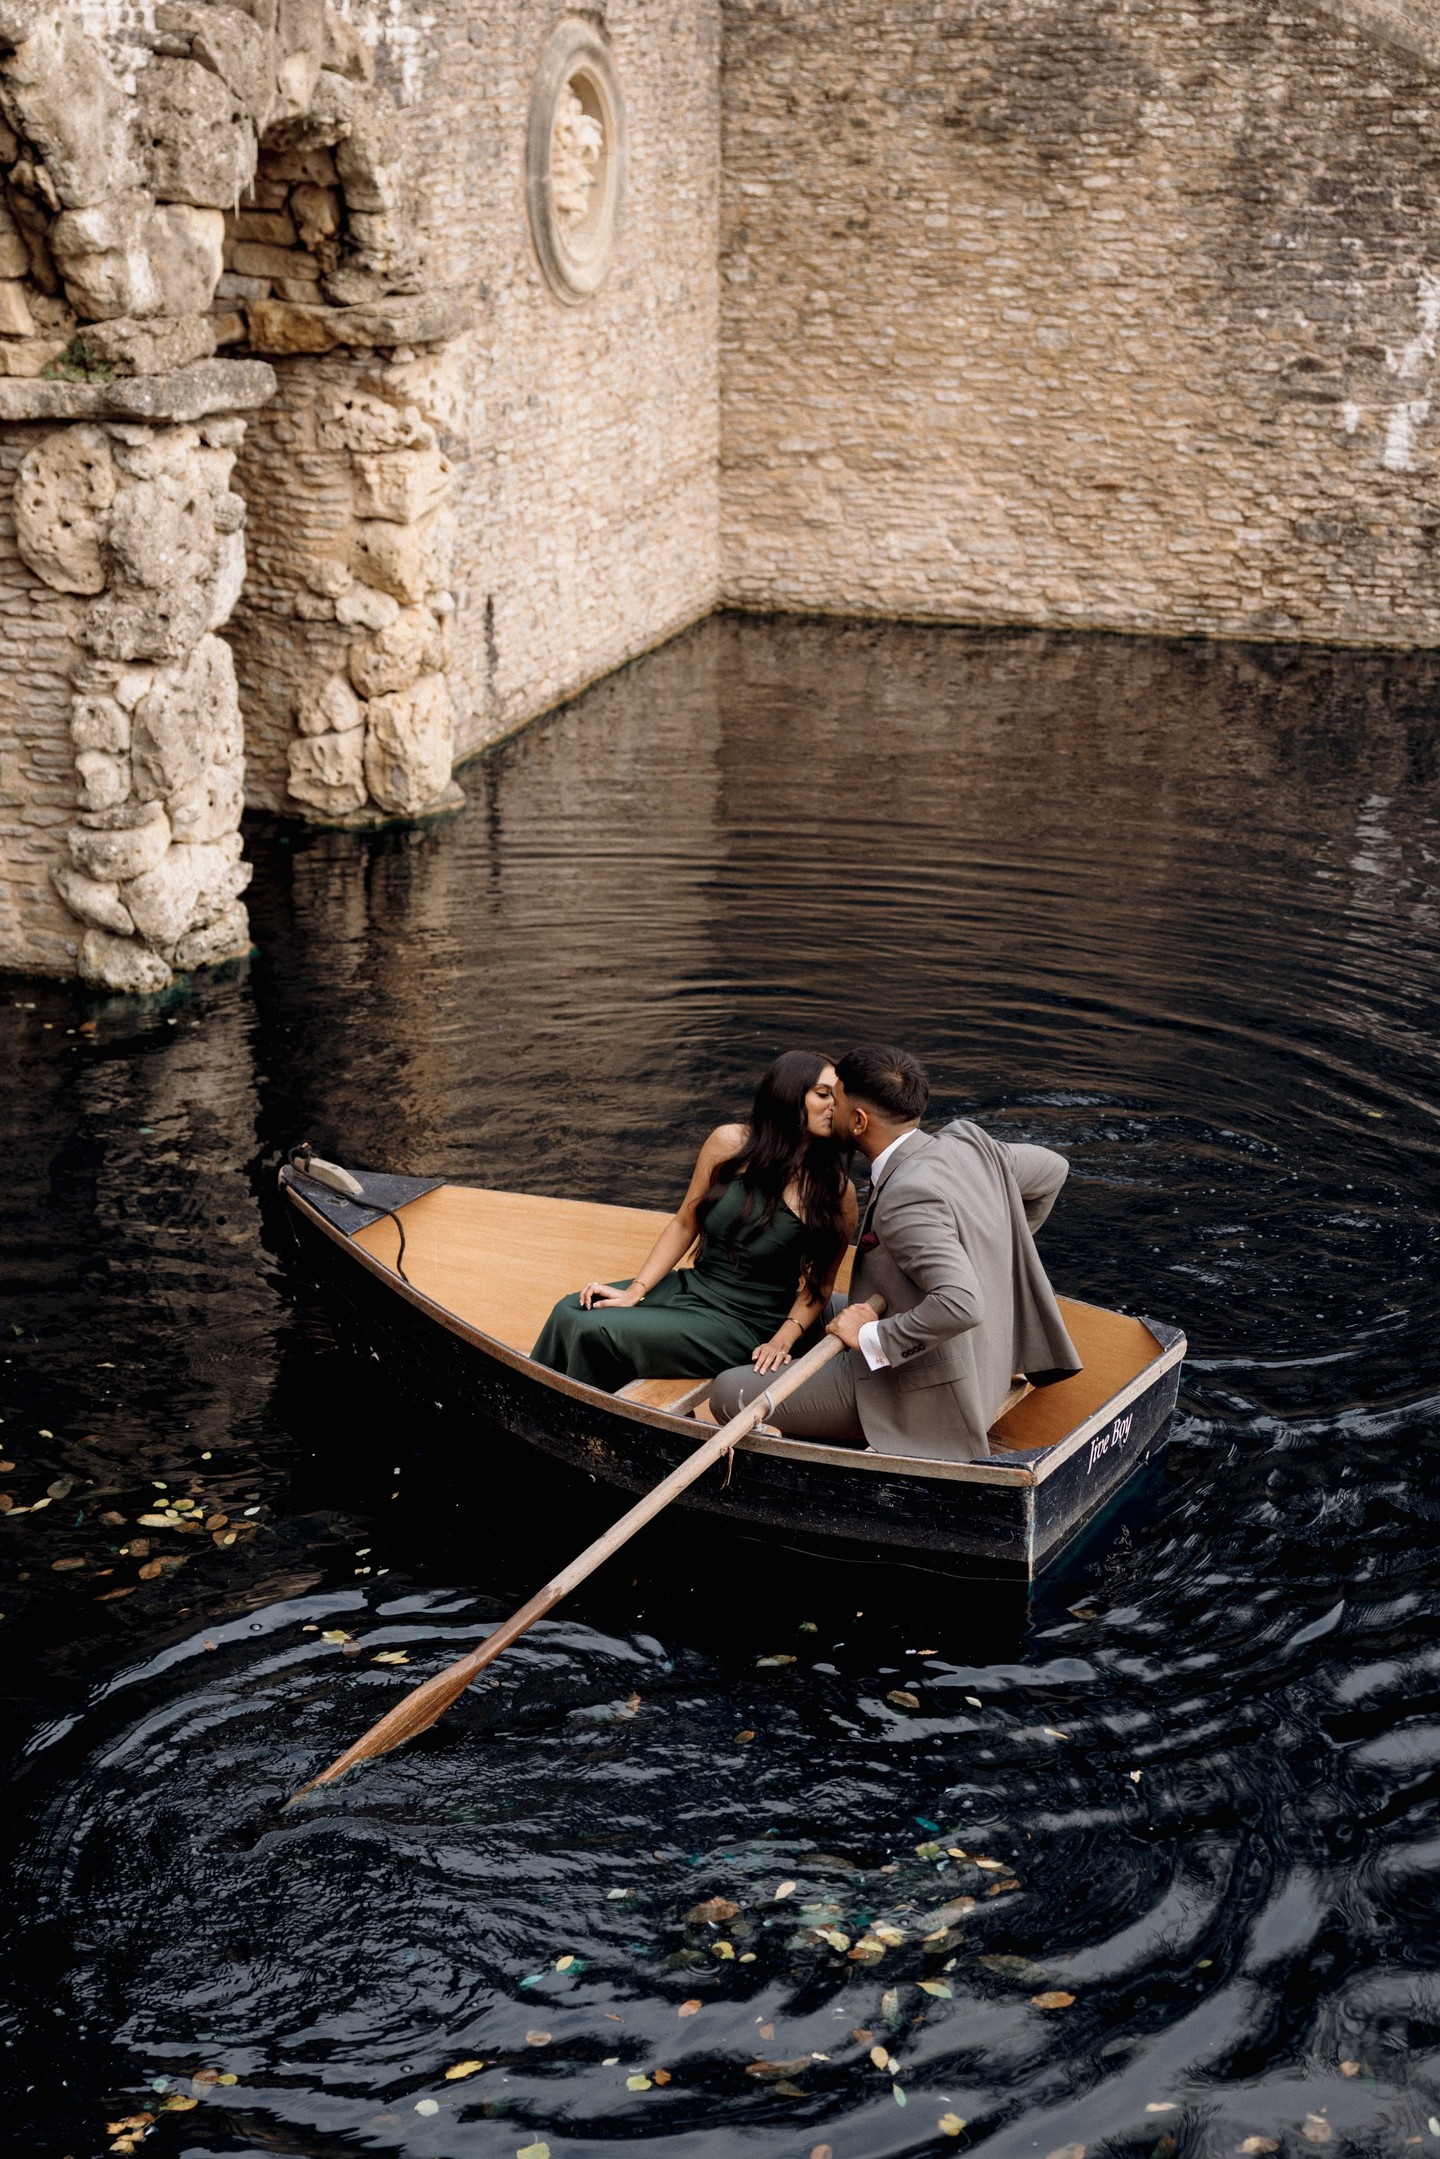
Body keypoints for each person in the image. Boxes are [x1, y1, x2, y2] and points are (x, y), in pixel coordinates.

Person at [708, 1044, 1081, 1462]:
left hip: (928, 1390)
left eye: (837, 1099)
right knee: (818, 1306)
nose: (830, 1109)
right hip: (987, 1354)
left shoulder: (907, 1197)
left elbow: (961, 1304)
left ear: (859, 1121)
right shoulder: (966, 1144)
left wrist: (871, 1338)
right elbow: (1053, 1170)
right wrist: (985, 1253)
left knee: (727, 1392)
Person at [531, 1051, 859, 1391]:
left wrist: (782, 1339)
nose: (834, 1106)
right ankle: (531, 1403)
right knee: (570, 1310)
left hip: (745, 1322)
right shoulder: (729, 1144)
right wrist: (635, 1291)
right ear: (788, 1094)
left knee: (595, 1331)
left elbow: (821, 1285)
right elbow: (684, 1223)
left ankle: (576, 1415)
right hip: (694, 1287)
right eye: (823, 1094)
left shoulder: (837, 1192)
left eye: (837, 1097)